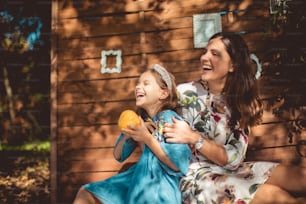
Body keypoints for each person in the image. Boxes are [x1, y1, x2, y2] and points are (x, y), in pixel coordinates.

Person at [163, 32, 306, 204]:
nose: (204, 58)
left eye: (215, 54)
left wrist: (195, 138)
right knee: (276, 197)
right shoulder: (183, 94)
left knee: (301, 176)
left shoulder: (238, 101)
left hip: (231, 169)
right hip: (195, 178)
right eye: (205, 52)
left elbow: (234, 158)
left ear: (233, 65)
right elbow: (153, 120)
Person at [73, 64, 192, 204]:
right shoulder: (141, 122)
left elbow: (177, 164)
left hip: (158, 188)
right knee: (87, 193)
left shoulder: (169, 119)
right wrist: (129, 134)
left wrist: (147, 138)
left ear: (163, 94)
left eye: (146, 83)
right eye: (138, 83)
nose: (138, 87)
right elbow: (118, 155)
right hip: (137, 180)